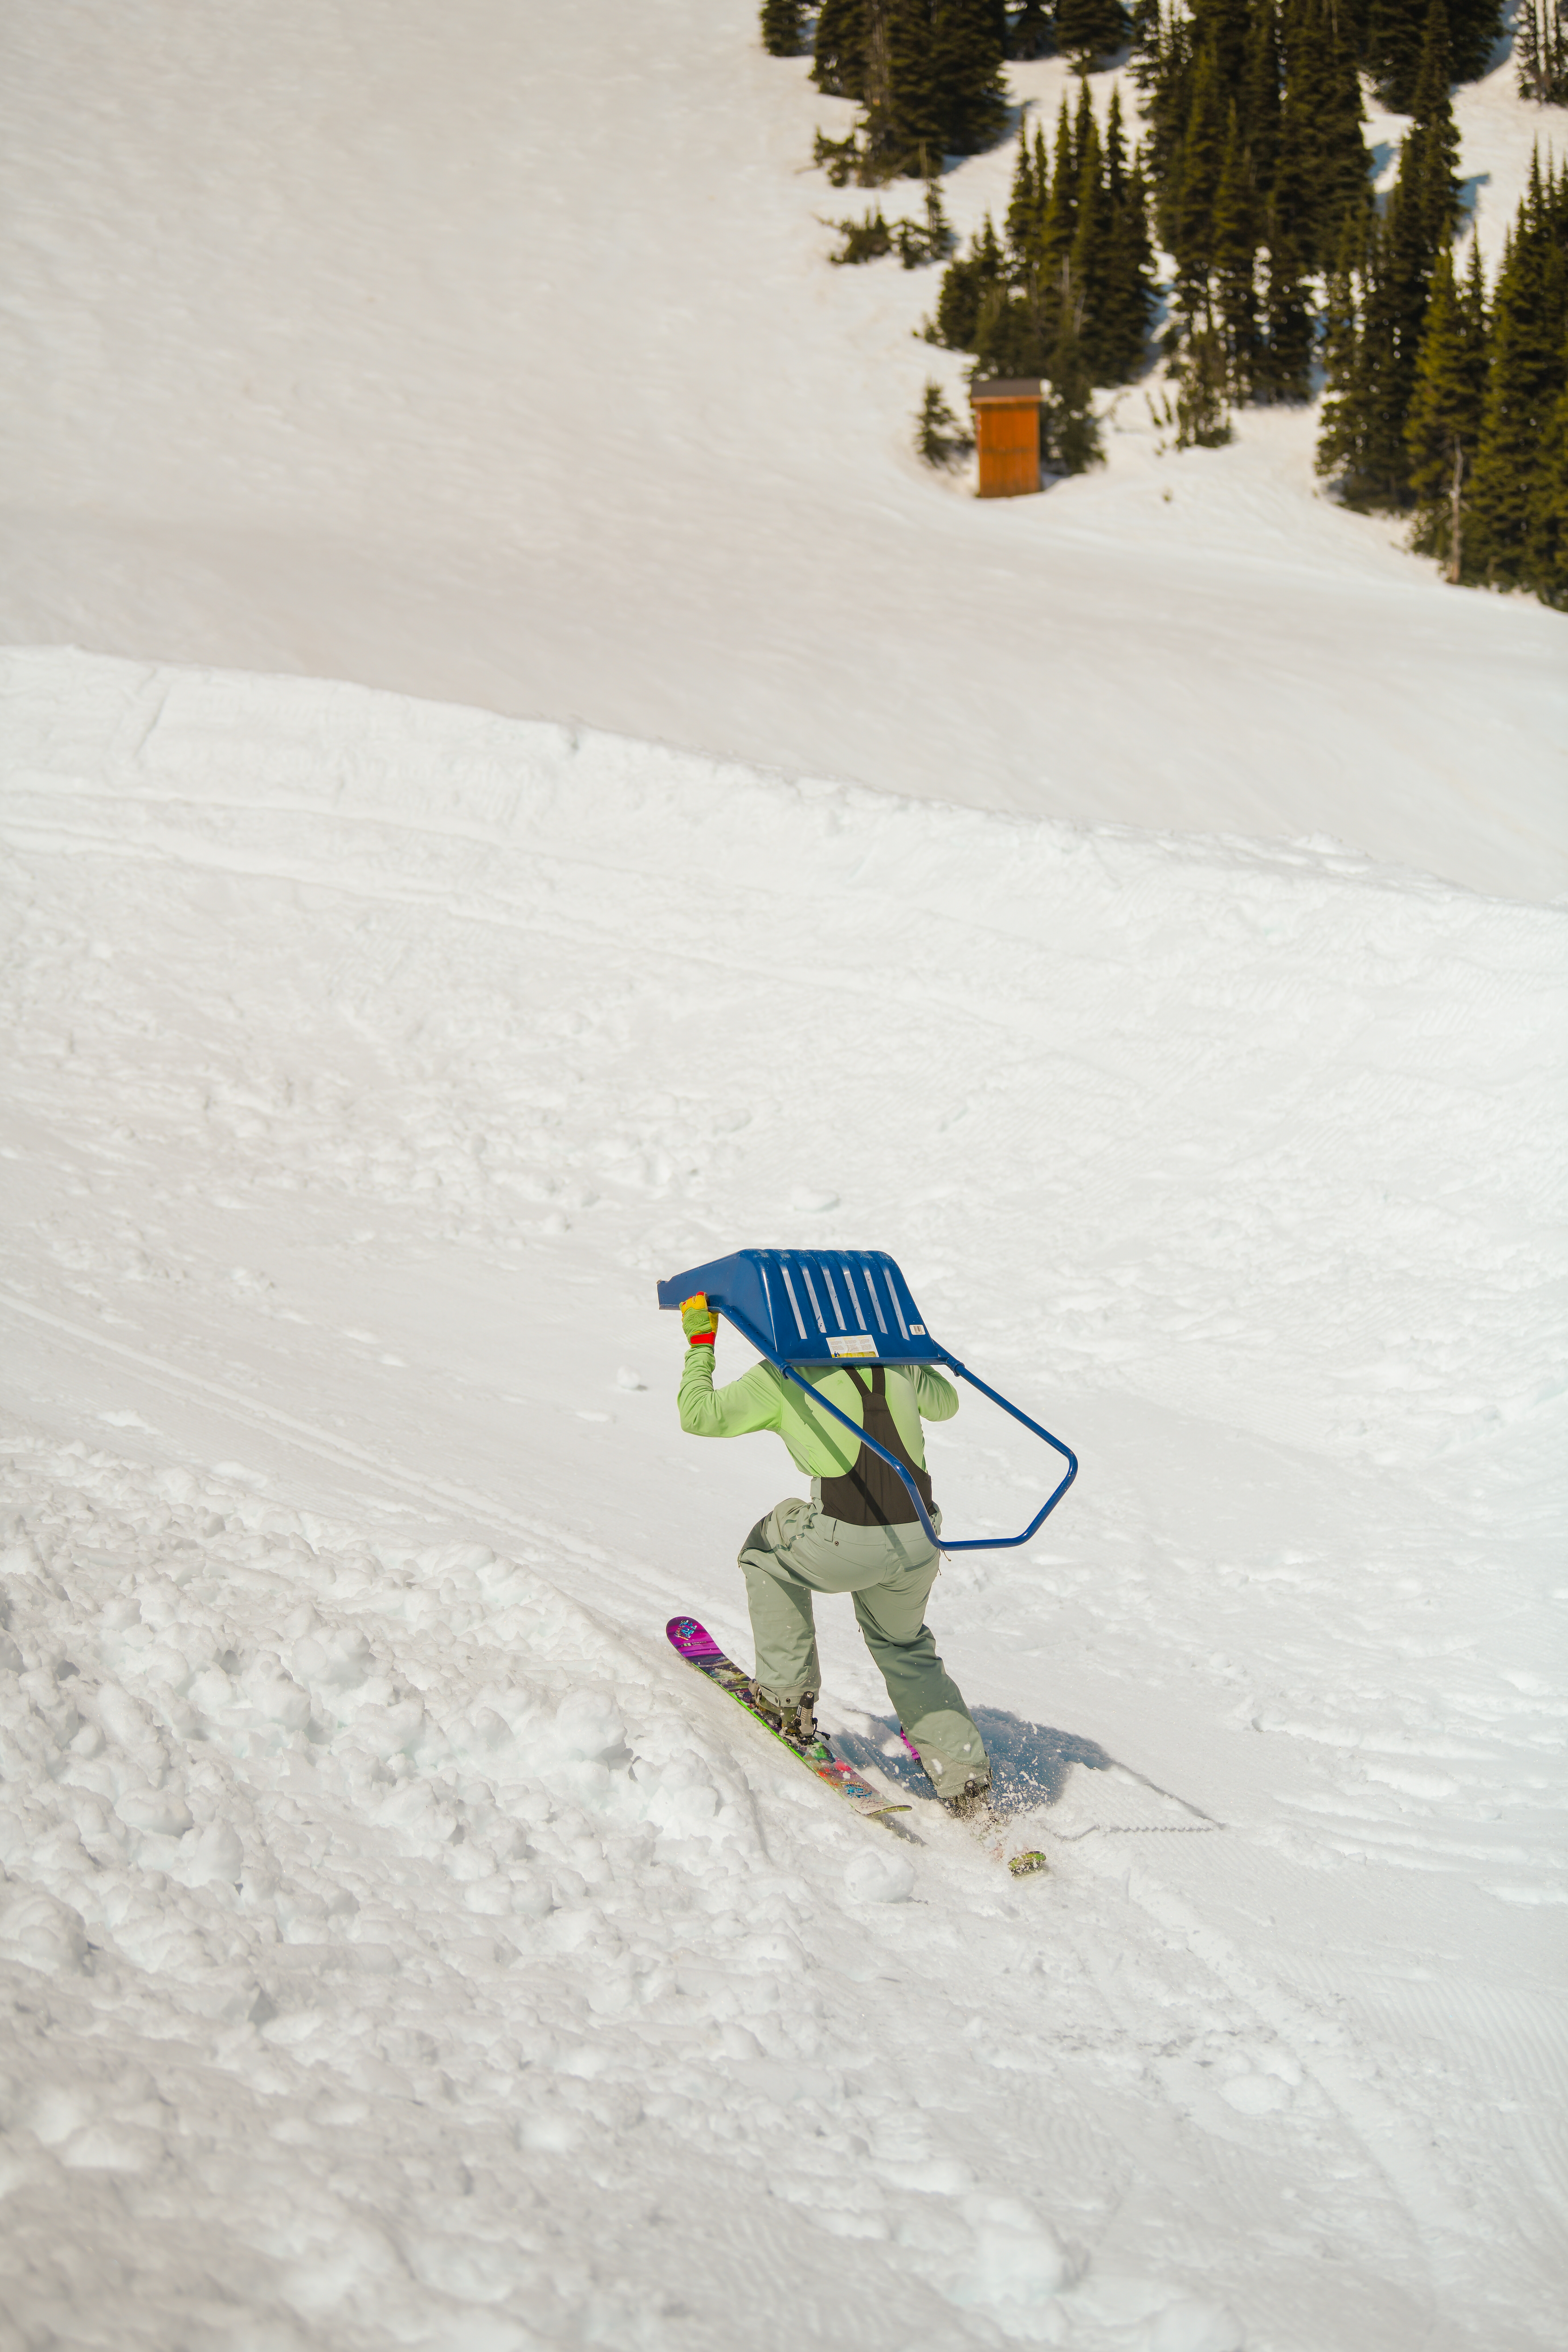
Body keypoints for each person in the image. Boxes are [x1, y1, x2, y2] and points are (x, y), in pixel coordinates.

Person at [675, 1291, 991, 1816]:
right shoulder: (894, 1363)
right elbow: (947, 1404)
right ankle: (964, 1776)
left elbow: (699, 1416)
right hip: (920, 1539)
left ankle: (786, 1701)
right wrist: (908, 1350)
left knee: (765, 1553)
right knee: (903, 1642)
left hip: (845, 1539)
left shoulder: (783, 1371)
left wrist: (702, 1341)